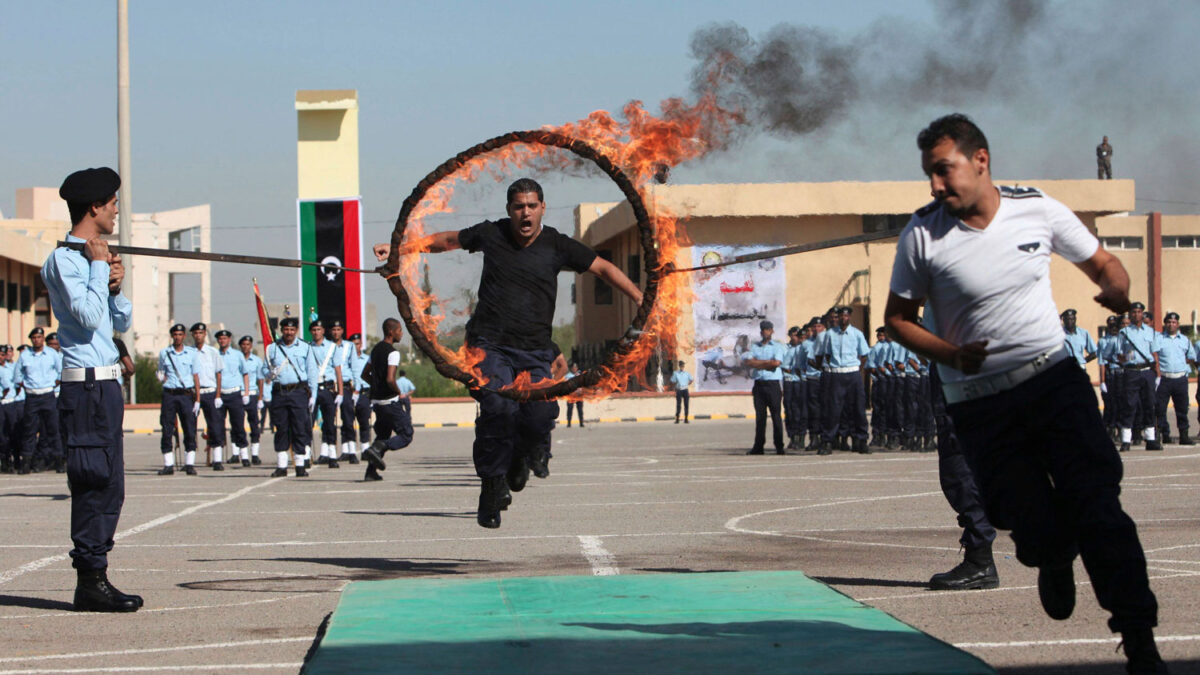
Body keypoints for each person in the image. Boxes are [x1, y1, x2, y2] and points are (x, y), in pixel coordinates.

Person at [885, 114, 1163, 671]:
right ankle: (1052, 555)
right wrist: (952, 355)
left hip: (1054, 382)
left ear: (980, 160)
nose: (936, 186)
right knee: (1022, 516)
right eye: (930, 176)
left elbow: (1103, 263)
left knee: (1100, 508)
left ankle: (1138, 640)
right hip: (980, 404)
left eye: (944, 171)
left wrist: (1116, 288)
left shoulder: (1037, 208)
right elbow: (897, 319)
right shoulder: (922, 234)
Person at [372, 177, 642, 528]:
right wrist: (402, 250)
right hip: (490, 346)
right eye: (518, 207)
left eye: (532, 206)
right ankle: (490, 488)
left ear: (543, 208)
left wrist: (639, 298)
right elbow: (447, 241)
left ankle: (523, 459)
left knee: (540, 417)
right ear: (509, 210)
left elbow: (603, 268)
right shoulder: (492, 233)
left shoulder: (558, 245)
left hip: (535, 352)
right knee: (498, 408)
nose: (525, 213)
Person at [42, 166, 142, 611]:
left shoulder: (93, 258)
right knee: (92, 480)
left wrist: (116, 286)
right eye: (112, 203)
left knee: (111, 486)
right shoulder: (65, 258)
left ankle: (97, 572)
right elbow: (83, 316)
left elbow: (116, 322)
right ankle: (89, 580)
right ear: (94, 208)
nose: (117, 210)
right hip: (83, 388)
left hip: (106, 386)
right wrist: (99, 269)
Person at [361, 319, 414, 481]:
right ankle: (379, 447)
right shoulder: (393, 352)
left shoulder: (375, 349)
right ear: (391, 332)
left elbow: (364, 374)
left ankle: (370, 472)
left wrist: (377, 386)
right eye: (399, 330)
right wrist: (399, 393)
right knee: (406, 434)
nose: (401, 333)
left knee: (383, 434)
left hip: (376, 402)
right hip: (390, 402)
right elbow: (391, 379)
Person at [264, 316, 318, 477]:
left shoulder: (305, 347)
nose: (289, 332)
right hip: (279, 392)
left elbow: (312, 372)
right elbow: (263, 371)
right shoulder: (272, 348)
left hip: (298, 392)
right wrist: (270, 372)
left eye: (292, 329)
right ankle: (281, 465)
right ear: (281, 331)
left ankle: (300, 464)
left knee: (299, 427)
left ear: (296, 331)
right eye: (286, 329)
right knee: (281, 428)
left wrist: (313, 395)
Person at [814, 307, 870, 455]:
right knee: (832, 410)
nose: (843, 318)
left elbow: (864, 354)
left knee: (858, 408)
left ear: (849, 317)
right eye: (840, 316)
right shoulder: (829, 334)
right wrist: (826, 369)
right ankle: (827, 441)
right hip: (835, 375)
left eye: (846, 315)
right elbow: (822, 354)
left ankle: (861, 440)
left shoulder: (857, 334)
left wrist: (857, 368)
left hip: (852, 373)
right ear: (837, 318)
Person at [14, 327, 64, 473]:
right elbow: (17, 376)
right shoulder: (25, 356)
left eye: (39, 337)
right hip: (32, 396)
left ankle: (59, 462)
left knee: (53, 429)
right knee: (29, 431)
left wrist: (52, 384)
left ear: (43, 339)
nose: (37, 340)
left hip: (48, 395)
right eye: (34, 337)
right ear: (31, 340)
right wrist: (28, 386)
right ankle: (26, 464)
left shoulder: (51, 353)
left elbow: (61, 372)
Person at [155, 324, 199, 475]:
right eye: (175, 334)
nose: (178, 337)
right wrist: (160, 377)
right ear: (172, 336)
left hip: (186, 394)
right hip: (170, 393)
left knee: (189, 428)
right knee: (167, 428)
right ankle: (168, 464)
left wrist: (198, 399)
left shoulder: (191, 353)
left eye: (180, 334)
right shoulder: (165, 353)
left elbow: (196, 376)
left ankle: (190, 463)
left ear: (184, 336)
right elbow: (161, 371)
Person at [1118, 302, 1162, 452]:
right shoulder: (1124, 333)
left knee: (1149, 404)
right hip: (1131, 371)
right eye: (1134, 312)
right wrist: (1127, 357)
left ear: (1143, 314)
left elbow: (1154, 354)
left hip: (1147, 371)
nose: (1137, 314)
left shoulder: (1151, 332)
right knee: (1129, 404)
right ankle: (1125, 439)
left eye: (1139, 312)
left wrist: (1157, 374)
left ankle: (1150, 439)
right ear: (1130, 314)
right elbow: (1120, 356)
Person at [741, 320, 786, 455]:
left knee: (776, 416)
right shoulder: (755, 347)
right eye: (763, 330)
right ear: (761, 332)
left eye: (768, 329)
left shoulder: (777, 346)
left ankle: (779, 446)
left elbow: (776, 363)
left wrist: (758, 363)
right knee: (760, 417)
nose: (765, 332)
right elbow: (749, 362)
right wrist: (767, 362)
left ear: (772, 331)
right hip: (759, 384)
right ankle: (758, 446)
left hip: (772, 384)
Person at [1154, 312, 1195, 445]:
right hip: (1164, 379)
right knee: (1160, 408)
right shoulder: (1159, 339)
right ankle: (1163, 435)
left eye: (1174, 322)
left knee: (1182, 409)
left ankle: (1184, 435)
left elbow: (1191, 357)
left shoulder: (1185, 340)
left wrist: (1181, 364)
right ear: (1165, 324)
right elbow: (1155, 357)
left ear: (1178, 324)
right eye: (1169, 322)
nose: (1171, 324)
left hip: (1180, 379)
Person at [309, 319, 344, 468]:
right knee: (307, 422)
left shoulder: (331, 347)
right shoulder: (307, 347)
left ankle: (332, 455)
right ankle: (305, 455)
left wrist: (341, 392)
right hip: (311, 389)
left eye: (319, 329)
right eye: (314, 330)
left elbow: (338, 371)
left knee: (329, 423)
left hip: (328, 389)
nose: (316, 332)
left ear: (323, 331)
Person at [189, 323, 225, 466]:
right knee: (190, 425)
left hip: (210, 392)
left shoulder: (212, 352)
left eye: (201, 333)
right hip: (192, 393)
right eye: (196, 333)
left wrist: (218, 395)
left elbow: (218, 374)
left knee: (215, 425)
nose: (198, 335)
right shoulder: (188, 352)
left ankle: (217, 460)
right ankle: (190, 461)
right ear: (192, 335)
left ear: (205, 335)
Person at [214, 329, 249, 470]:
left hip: (235, 393)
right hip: (219, 394)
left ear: (229, 340)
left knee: (238, 425)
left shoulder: (237, 355)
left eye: (225, 338)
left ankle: (244, 455)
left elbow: (245, 374)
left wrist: (246, 393)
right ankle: (218, 458)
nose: (222, 341)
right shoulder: (214, 355)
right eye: (220, 338)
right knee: (217, 427)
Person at [329, 320, 358, 462]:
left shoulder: (349, 346)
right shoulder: (327, 346)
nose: (336, 332)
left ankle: (351, 450)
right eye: (333, 329)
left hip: (346, 386)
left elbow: (355, 367)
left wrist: (357, 389)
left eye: (338, 329)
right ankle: (331, 451)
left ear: (342, 331)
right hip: (330, 386)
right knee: (329, 420)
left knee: (347, 419)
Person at [238, 336, 266, 465]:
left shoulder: (256, 360)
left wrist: (260, 397)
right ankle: (243, 455)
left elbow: (260, 380)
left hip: (253, 394)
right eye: (243, 344)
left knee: (254, 424)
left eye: (248, 344)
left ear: (251, 346)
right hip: (238, 393)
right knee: (238, 425)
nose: (245, 346)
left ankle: (255, 454)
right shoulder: (236, 359)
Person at [345, 332, 370, 463]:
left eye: (358, 344)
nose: (356, 347)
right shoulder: (345, 361)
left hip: (365, 394)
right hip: (350, 392)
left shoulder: (367, 359)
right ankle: (351, 452)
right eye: (354, 345)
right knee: (349, 422)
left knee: (364, 422)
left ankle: (365, 450)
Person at [781, 326, 806, 448]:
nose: (797, 338)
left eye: (800, 336)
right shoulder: (787, 349)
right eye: (795, 335)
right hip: (790, 381)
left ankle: (801, 437)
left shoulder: (806, 348)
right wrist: (795, 371)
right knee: (790, 410)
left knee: (801, 411)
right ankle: (793, 437)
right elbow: (784, 366)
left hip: (802, 382)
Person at [802, 319, 825, 449]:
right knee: (813, 411)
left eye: (819, 326)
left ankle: (828, 438)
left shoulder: (828, 340)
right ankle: (814, 437)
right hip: (812, 380)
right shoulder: (807, 344)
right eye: (814, 326)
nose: (817, 329)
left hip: (826, 378)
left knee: (827, 409)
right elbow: (805, 362)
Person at [867, 328, 891, 449]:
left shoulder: (890, 346)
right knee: (878, 409)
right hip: (880, 381)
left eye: (883, 334)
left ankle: (887, 434)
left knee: (888, 409)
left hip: (889, 381)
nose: (881, 337)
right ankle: (877, 435)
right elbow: (872, 367)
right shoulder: (876, 348)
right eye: (879, 335)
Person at [0, 345, 20, 473]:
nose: (1, 357)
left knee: (14, 432)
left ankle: (16, 459)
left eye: (2, 355)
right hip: (2, 404)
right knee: (2, 435)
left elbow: (13, 387)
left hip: (11, 403)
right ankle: (5, 461)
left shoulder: (11, 367)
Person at [670, 360, 692, 425]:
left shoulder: (687, 373)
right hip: (679, 390)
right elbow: (672, 381)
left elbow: (691, 380)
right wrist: (676, 386)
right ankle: (677, 419)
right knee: (678, 405)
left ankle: (686, 419)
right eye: (681, 366)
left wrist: (687, 384)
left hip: (685, 389)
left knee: (686, 405)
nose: (682, 367)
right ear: (679, 366)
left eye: (683, 366)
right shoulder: (676, 373)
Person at [564, 362, 584, 427]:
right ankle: (569, 423)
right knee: (570, 409)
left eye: (576, 367)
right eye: (573, 367)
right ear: (571, 368)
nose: (574, 369)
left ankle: (581, 422)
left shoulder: (580, 375)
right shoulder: (568, 376)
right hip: (571, 394)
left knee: (580, 409)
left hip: (579, 394)